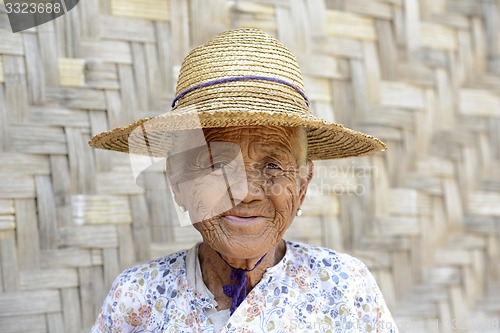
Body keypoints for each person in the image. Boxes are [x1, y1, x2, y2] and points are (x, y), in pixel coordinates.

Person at [89, 28, 398, 332]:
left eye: (273, 165)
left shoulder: (346, 288)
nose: (246, 193)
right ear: (178, 182)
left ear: (302, 185)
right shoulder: (134, 297)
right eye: (217, 163)